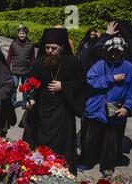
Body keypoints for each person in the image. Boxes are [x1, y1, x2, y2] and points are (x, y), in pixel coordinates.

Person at [22, 28, 87, 175]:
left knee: (60, 144)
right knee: (38, 141)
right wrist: (30, 98)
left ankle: (60, 169)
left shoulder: (72, 62)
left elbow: (82, 83)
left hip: (62, 109)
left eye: (54, 48)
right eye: (47, 47)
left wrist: (63, 86)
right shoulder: (39, 62)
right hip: (41, 109)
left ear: (62, 47)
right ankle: (39, 166)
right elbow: (31, 83)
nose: (50, 51)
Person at [79, 37, 132, 176]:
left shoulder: (129, 68)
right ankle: (87, 161)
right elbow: (91, 81)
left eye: (117, 52)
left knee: (111, 142)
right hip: (96, 109)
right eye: (111, 51)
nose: (113, 54)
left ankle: (107, 166)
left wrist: (127, 107)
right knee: (90, 139)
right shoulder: (100, 65)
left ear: (122, 51)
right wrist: (111, 78)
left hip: (115, 111)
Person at [6, 26, 35, 108]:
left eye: (23, 33)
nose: (21, 35)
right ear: (18, 34)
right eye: (20, 33)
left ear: (26, 34)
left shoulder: (31, 44)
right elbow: (9, 56)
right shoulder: (13, 43)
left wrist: (33, 69)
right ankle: (13, 103)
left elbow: (32, 58)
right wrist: (8, 67)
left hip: (26, 70)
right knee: (14, 87)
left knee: (25, 88)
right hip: (15, 70)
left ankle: (24, 103)